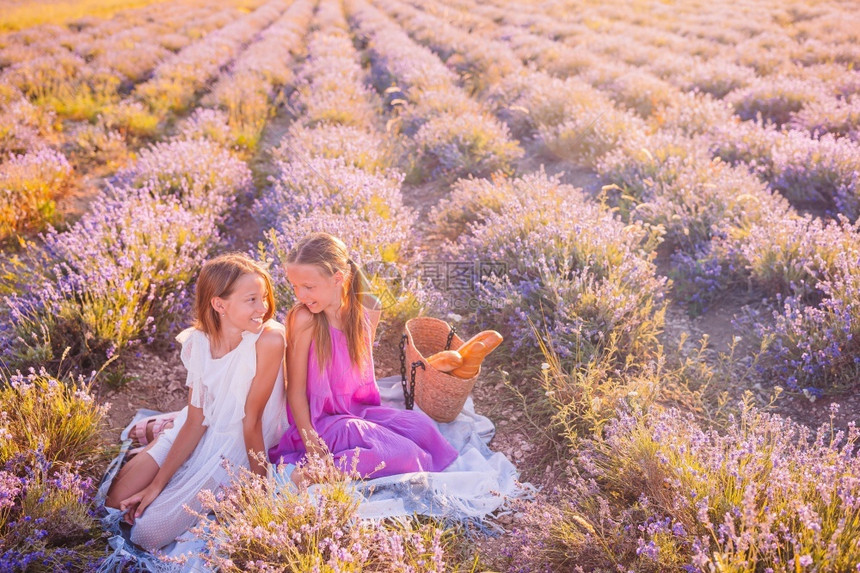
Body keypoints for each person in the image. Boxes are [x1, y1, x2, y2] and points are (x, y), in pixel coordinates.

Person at [105, 253, 288, 551]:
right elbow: (195, 419)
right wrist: (156, 485)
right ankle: (162, 436)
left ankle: (161, 441)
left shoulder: (268, 340)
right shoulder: (199, 343)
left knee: (145, 535)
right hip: (198, 425)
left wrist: (261, 489)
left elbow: (251, 420)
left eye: (264, 297)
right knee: (113, 504)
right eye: (252, 299)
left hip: (235, 442)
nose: (264, 308)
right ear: (219, 305)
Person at [268, 233, 458, 484]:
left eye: (308, 287)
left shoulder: (368, 310)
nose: (300, 295)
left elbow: (354, 363)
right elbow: (295, 391)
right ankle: (318, 473)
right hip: (321, 422)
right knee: (405, 454)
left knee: (422, 428)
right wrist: (312, 444)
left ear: (338, 278)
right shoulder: (305, 319)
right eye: (295, 286)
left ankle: (353, 457)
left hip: (360, 412)